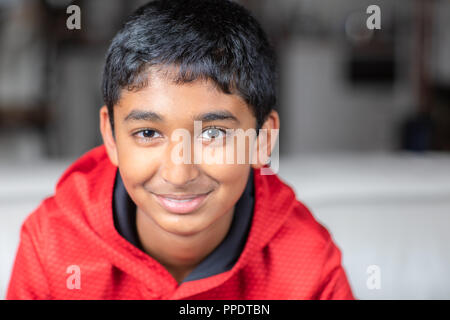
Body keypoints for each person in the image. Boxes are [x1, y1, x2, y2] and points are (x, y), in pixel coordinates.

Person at [7, 0, 355, 299]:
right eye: (147, 132)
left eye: (214, 133)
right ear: (111, 137)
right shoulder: (51, 247)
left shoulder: (308, 265)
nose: (179, 173)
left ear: (262, 141)